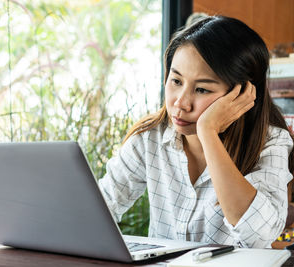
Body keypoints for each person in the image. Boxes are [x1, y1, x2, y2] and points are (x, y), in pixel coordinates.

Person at [98, 15, 294, 248]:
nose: (181, 103)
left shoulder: (271, 142)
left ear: (243, 93)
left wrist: (208, 132)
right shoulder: (150, 137)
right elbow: (97, 210)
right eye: (176, 81)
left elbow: (260, 235)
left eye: (201, 89)